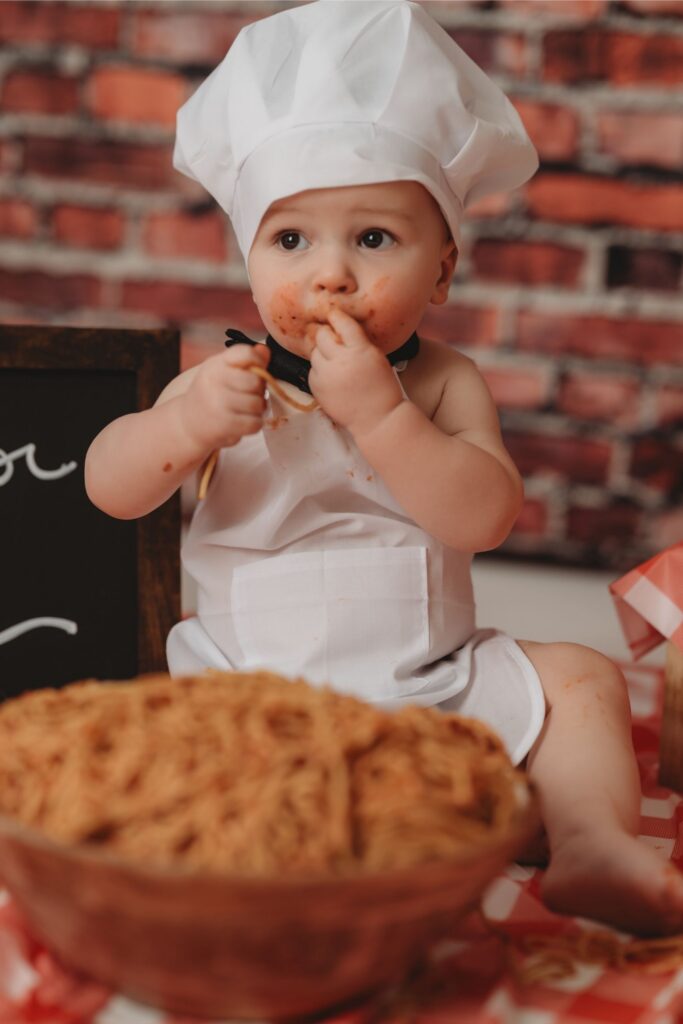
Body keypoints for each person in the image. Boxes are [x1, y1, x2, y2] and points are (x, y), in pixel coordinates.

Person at [85, 0, 683, 935]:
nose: (330, 275)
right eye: (291, 240)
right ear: (249, 262)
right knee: (163, 757)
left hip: (435, 680)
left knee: (580, 678)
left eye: (373, 239)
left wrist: (384, 417)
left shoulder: (442, 383)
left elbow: (483, 517)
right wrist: (185, 425)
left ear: (441, 271)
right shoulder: (224, 382)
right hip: (254, 688)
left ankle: (590, 844)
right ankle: (351, 835)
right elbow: (110, 489)